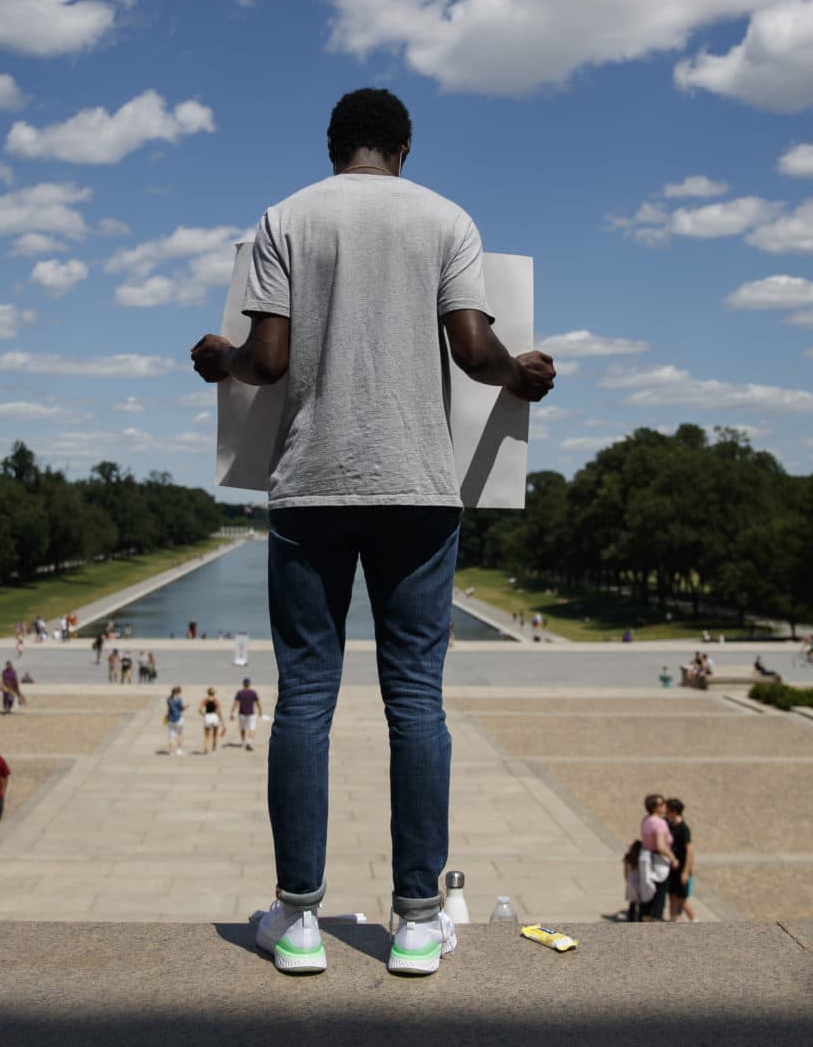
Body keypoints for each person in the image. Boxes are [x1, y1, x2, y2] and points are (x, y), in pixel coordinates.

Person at [190, 88, 556, 979]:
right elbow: (473, 348)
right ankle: (419, 921)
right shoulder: (445, 218)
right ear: (403, 147)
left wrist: (220, 360)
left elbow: (267, 359)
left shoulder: (288, 217)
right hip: (420, 489)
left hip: (313, 485)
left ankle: (301, 919)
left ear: (331, 146)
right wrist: (523, 376)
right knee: (417, 704)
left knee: (306, 700)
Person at [639, 794, 675, 922]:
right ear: (655, 808)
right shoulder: (659, 823)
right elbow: (660, 846)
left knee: (647, 894)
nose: (665, 806)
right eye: (662, 804)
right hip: (658, 861)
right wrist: (673, 858)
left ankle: (646, 917)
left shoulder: (646, 820)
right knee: (659, 895)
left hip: (646, 859)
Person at [665, 798, 696, 922]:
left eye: (667, 809)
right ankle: (673, 919)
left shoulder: (683, 828)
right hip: (672, 867)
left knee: (681, 898)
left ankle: (694, 920)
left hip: (681, 867)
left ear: (674, 811)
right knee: (672, 895)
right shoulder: (669, 824)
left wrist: (686, 871)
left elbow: (690, 849)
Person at [234, 678, 263, 751]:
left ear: (243, 684)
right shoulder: (253, 692)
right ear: (249, 684)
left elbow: (236, 703)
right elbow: (257, 703)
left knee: (242, 728)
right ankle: (249, 742)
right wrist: (260, 710)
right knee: (252, 728)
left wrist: (232, 712)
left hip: (242, 713)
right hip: (251, 713)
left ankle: (243, 742)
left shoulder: (240, 692)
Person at [165, 685, 186, 756]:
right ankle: (178, 750)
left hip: (170, 719)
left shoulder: (168, 699)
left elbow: (169, 708)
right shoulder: (179, 699)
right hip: (178, 718)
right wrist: (186, 706)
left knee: (171, 735)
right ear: (178, 692)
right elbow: (181, 709)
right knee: (180, 734)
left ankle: (170, 751)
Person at [202, 687, 223, 753]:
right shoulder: (216, 700)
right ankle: (213, 750)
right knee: (215, 735)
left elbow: (200, 709)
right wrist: (222, 720)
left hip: (207, 716)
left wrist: (203, 714)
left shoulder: (205, 700)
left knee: (207, 735)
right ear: (214, 693)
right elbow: (219, 711)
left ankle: (206, 748)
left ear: (208, 693)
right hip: (214, 716)